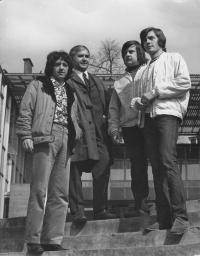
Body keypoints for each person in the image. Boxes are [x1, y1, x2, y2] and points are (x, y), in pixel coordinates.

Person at [16, 51, 82, 253]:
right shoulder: (38, 85)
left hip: (65, 140)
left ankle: (52, 239)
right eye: (58, 64)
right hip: (45, 137)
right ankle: (33, 241)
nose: (61, 68)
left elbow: (75, 117)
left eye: (65, 65)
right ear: (51, 67)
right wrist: (26, 135)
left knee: (60, 194)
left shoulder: (71, 90)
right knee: (39, 191)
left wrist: (75, 135)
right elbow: (26, 110)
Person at [131, 27, 191, 234]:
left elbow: (184, 82)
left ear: (160, 40)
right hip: (148, 118)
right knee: (156, 167)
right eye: (144, 39)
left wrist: (156, 92)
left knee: (167, 160)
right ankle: (164, 219)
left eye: (151, 38)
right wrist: (137, 103)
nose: (147, 42)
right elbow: (137, 96)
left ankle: (181, 217)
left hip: (167, 114)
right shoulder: (143, 69)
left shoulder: (174, 58)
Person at [67, 45, 118, 222]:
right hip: (77, 132)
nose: (85, 59)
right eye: (80, 56)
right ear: (72, 58)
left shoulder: (96, 80)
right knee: (74, 170)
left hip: (99, 134)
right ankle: (77, 212)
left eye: (87, 56)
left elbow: (107, 105)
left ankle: (100, 210)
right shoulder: (67, 79)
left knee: (103, 165)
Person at [108, 41, 149, 217]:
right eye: (125, 53)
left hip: (148, 124)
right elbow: (113, 109)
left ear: (140, 53)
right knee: (137, 166)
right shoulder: (119, 83)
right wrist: (114, 129)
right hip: (130, 128)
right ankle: (141, 204)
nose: (127, 55)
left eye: (131, 51)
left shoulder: (149, 72)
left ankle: (167, 204)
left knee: (160, 162)